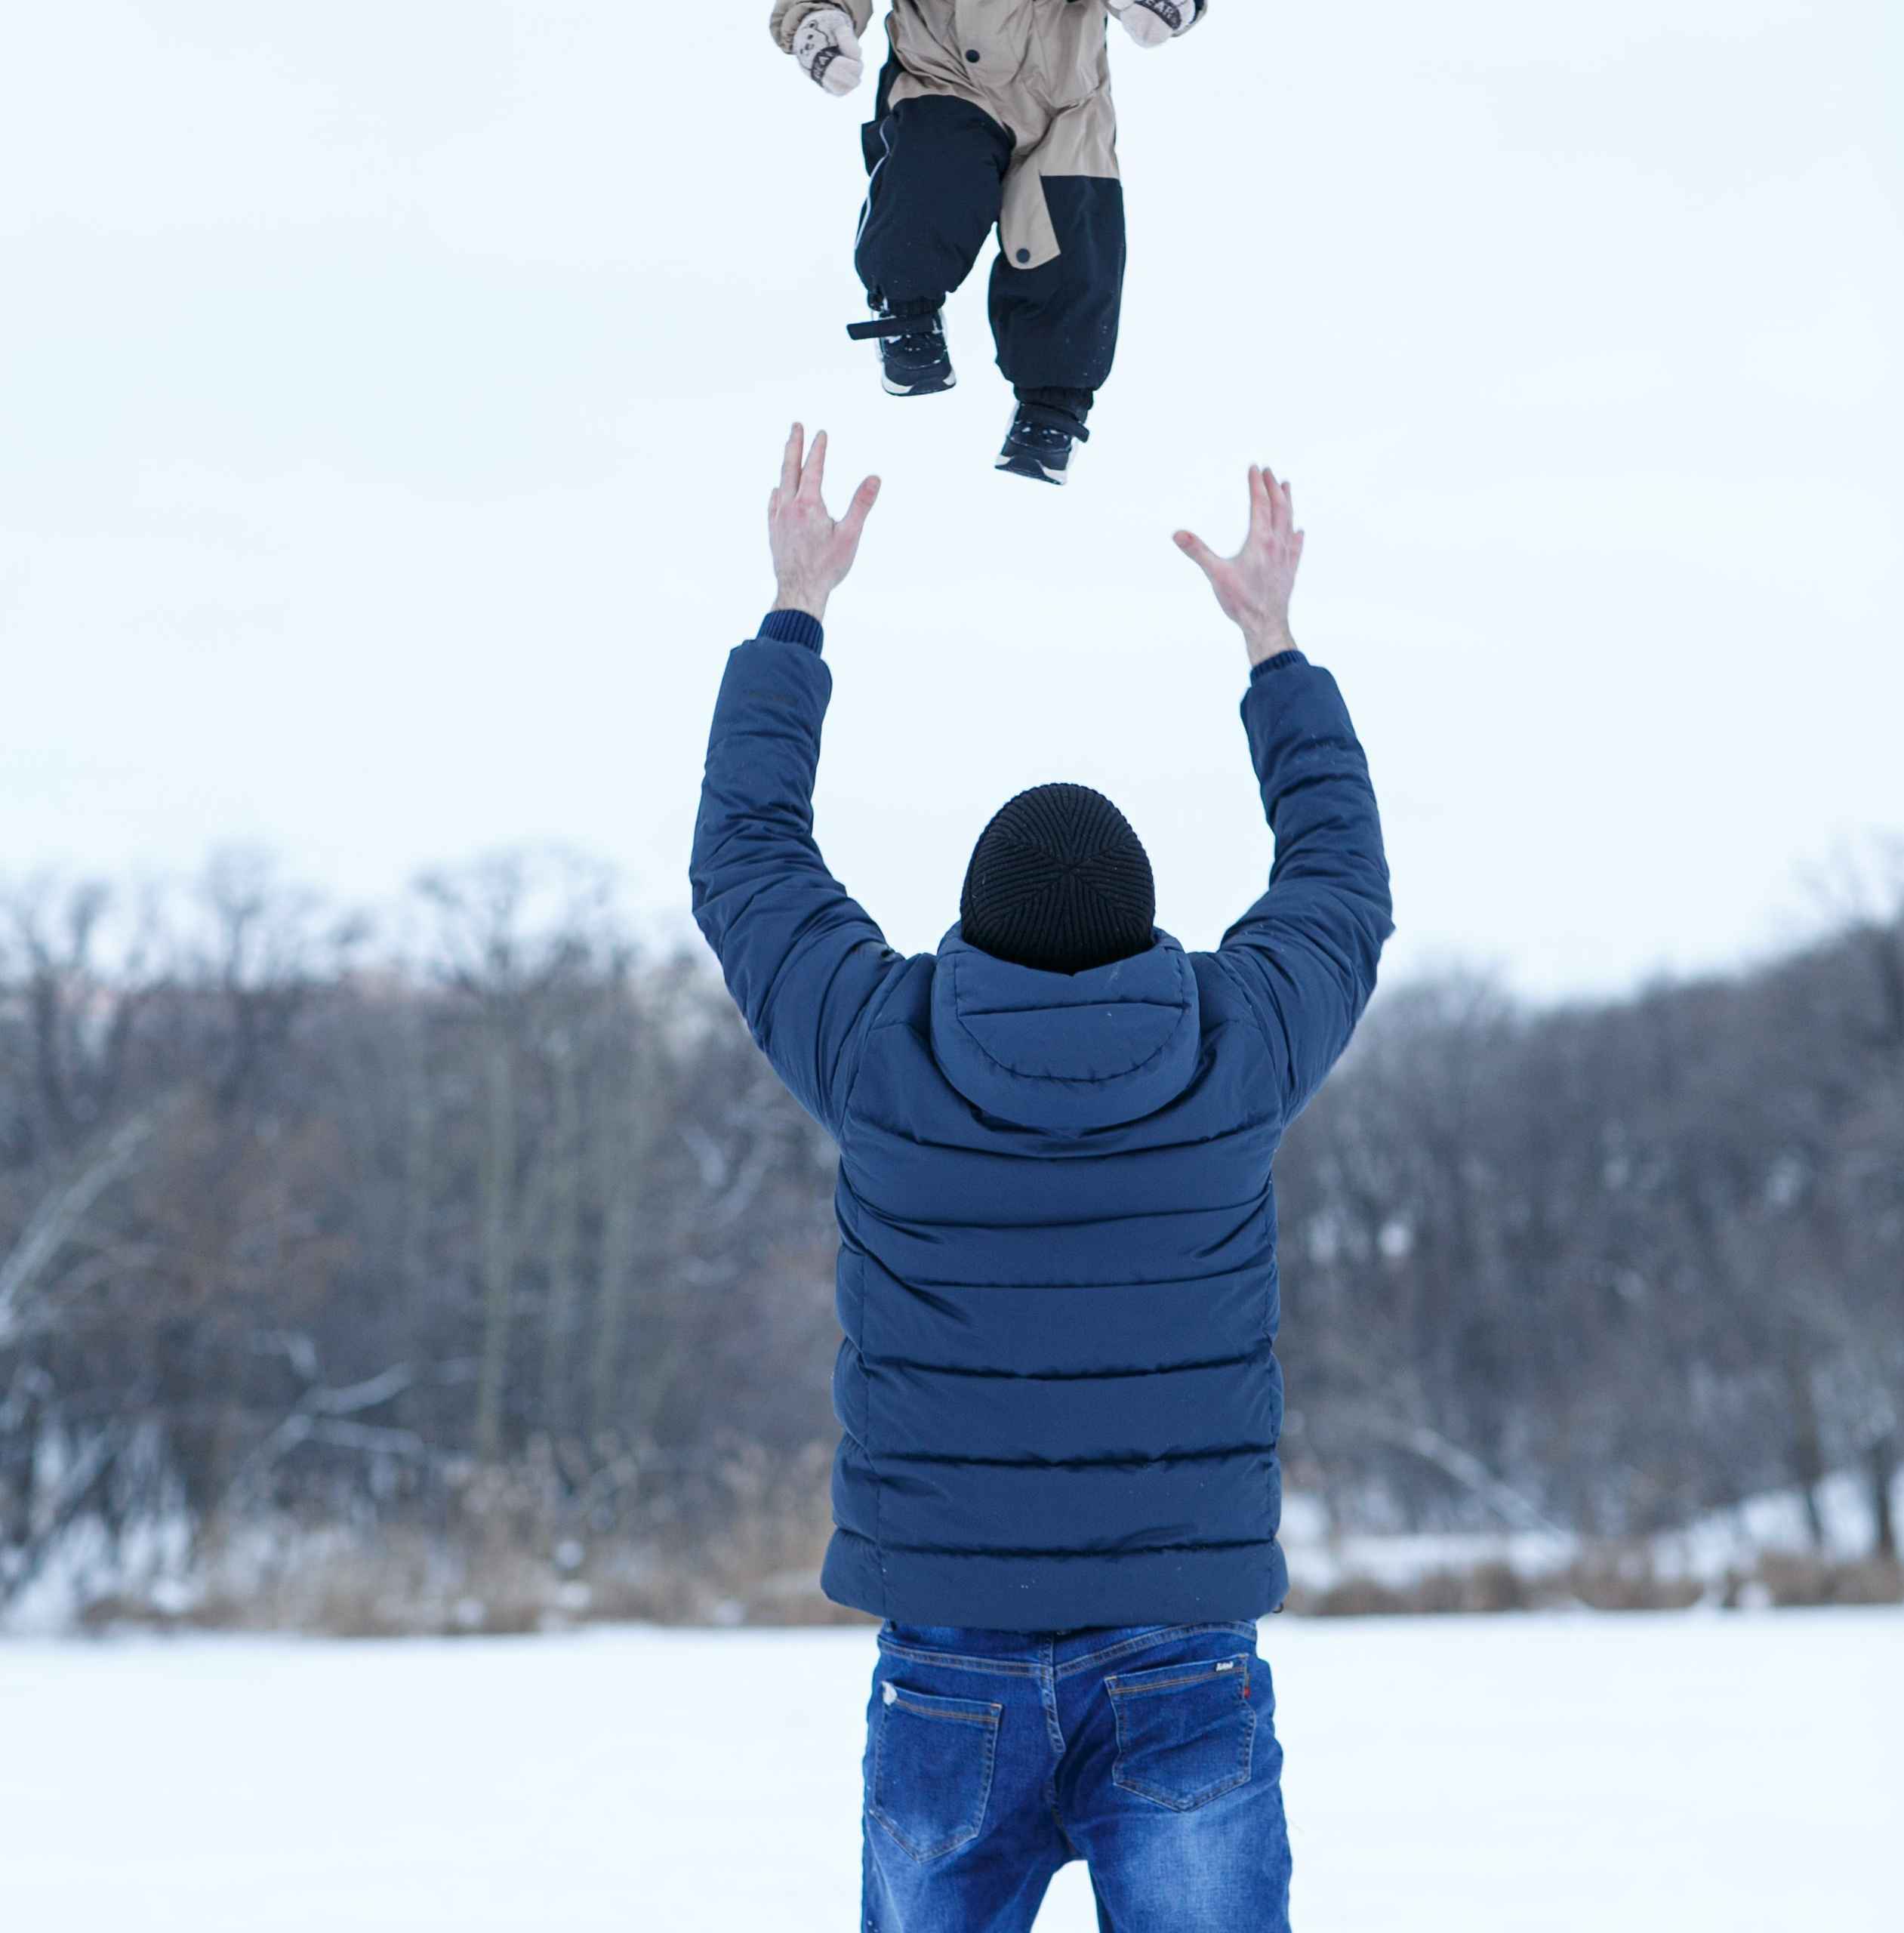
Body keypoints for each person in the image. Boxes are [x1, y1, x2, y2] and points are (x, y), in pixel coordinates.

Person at [690, 424, 1391, 1931]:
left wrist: (795, 612)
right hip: (1184, 1657)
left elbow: (746, 863)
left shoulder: (885, 1050)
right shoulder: (1230, 1050)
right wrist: (1272, 646)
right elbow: (1337, 882)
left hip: (952, 1661)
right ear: (1144, 928)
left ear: (972, 926)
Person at [772, 1, 1209, 485]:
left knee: (1069, 241)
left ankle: (1051, 409)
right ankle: (906, 314)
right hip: (947, 73)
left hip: (1065, 98)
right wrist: (821, 16)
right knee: (934, 174)